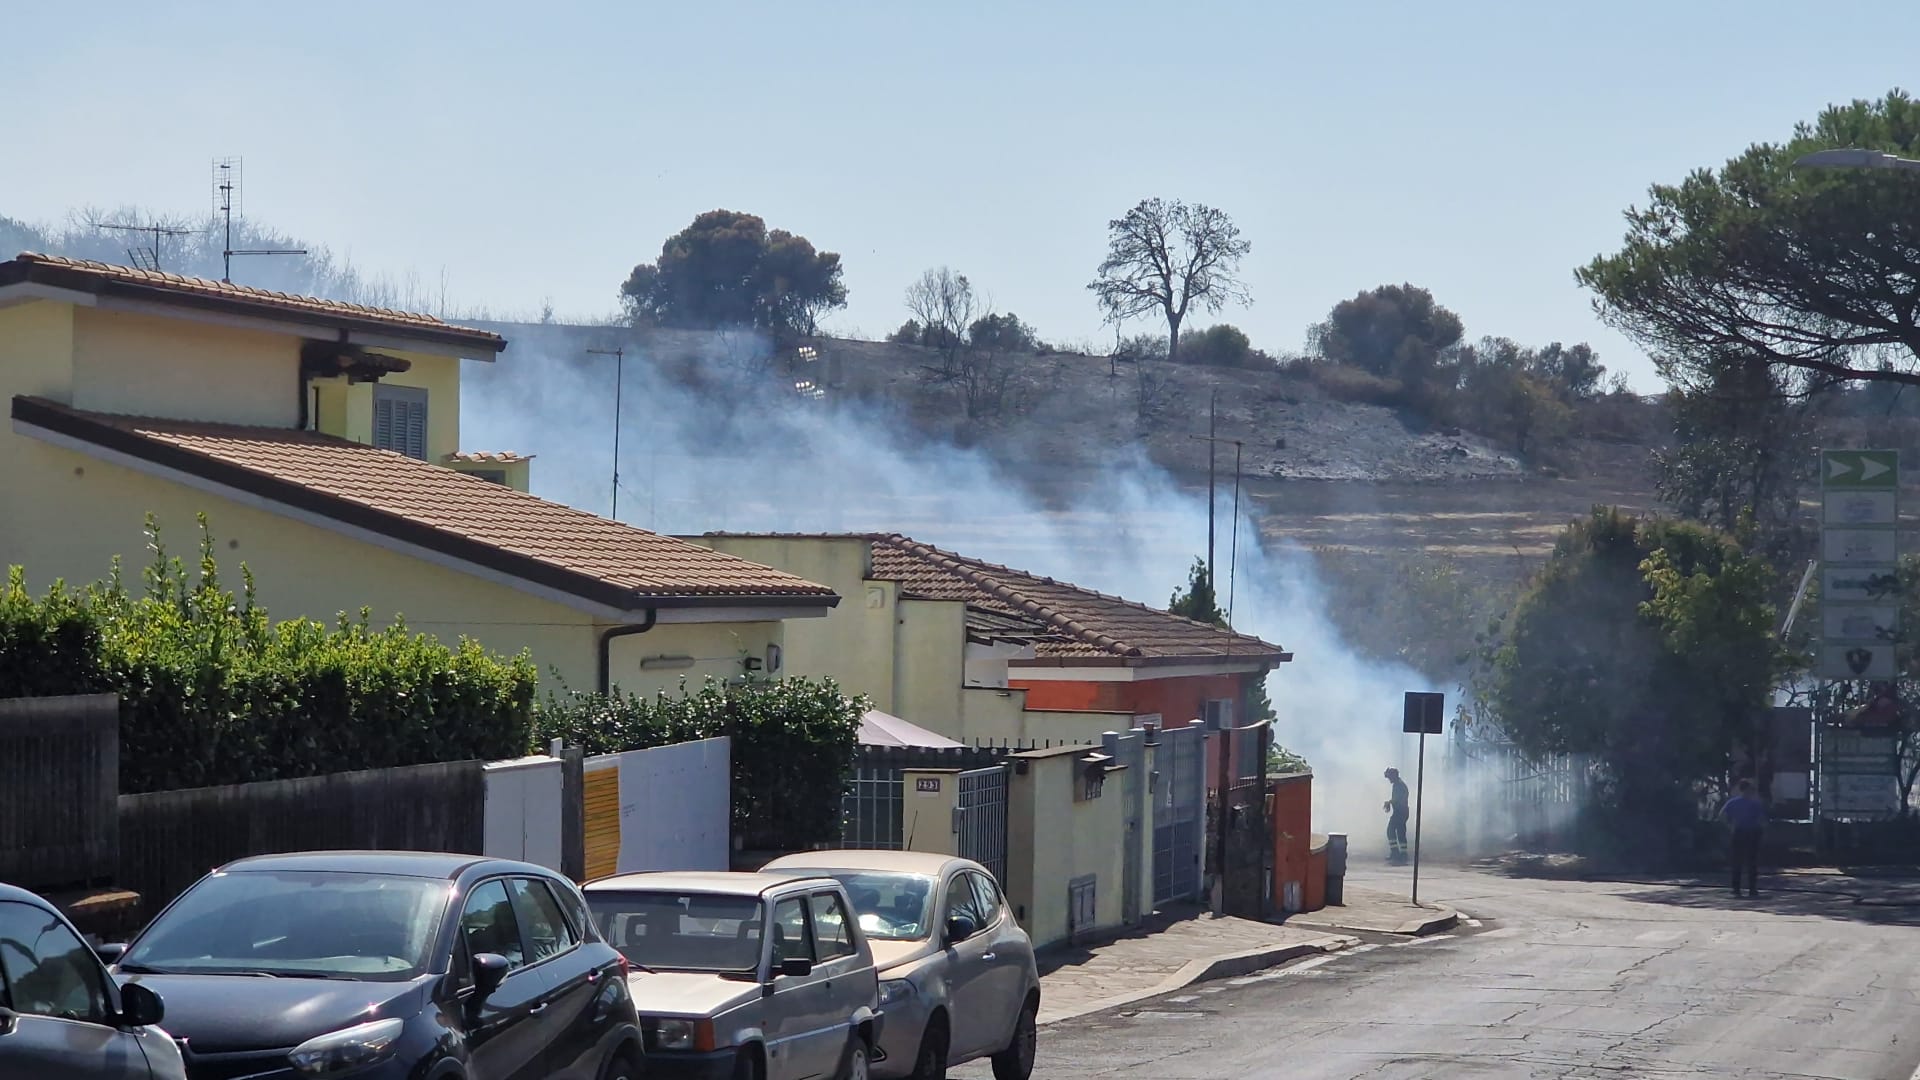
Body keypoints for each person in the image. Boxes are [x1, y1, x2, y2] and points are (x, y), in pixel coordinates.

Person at [1720, 779, 1766, 897]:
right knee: (1751, 862)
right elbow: (1762, 819)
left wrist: (1729, 826)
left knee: (1738, 861)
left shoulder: (1733, 802)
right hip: (1752, 833)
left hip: (1739, 832)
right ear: (1747, 790)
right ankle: (1752, 889)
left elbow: (1722, 815)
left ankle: (1736, 889)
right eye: (1751, 789)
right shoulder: (1755, 803)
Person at [1383, 767, 1410, 864]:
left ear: (1394, 776)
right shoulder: (1398, 784)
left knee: (1392, 831)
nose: (1389, 779)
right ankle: (1401, 854)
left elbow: (1398, 798)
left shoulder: (1399, 785)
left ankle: (1398, 854)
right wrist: (1390, 803)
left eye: (1390, 777)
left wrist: (1389, 802)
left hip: (1400, 813)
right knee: (1400, 833)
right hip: (1400, 812)